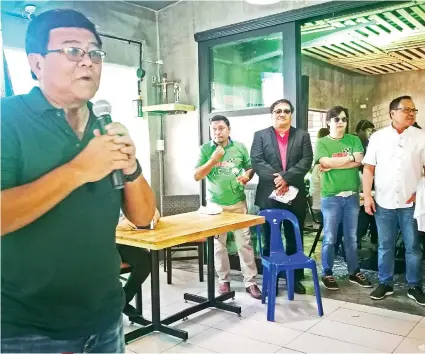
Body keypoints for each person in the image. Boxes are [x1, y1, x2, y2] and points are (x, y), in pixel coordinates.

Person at [1, 9, 156, 353]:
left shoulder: (105, 127)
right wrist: (79, 169)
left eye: (95, 52)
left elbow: (144, 218)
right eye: (72, 50)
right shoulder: (7, 119)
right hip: (27, 329)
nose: (88, 61)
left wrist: (131, 167)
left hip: (104, 319)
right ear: (37, 63)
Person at [363, 96, 425, 305]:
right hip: (384, 202)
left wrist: (420, 193)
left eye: (413, 110)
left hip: (411, 204)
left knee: (413, 247)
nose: (411, 113)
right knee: (385, 245)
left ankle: (414, 285)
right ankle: (385, 283)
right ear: (392, 113)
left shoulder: (420, 136)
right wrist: (368, 196)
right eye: (406, 109)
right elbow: (369, 168)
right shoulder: (378, 137)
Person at [194, 115, 262, 299]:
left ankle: (251, 282)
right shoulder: (205, 150)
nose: (218, 132)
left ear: (229, 130)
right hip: (215, 207)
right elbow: (197, 176)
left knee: (244, 244)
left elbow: (250, 167)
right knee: (218, 246)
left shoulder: (239, 147)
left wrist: (247, 176)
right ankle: (223, 281)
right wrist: (213, 160)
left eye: (221, 128)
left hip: (238, 203)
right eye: (214, 129)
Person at [251, 99, 313, 295]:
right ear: (272, 114)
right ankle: (271, 278)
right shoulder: (260, 135)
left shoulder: (302, 135)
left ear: (291, 114)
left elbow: (306, 161)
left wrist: (286, 178)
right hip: (270, 194)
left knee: (295, 237)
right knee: (270, 238)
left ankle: (295, 279)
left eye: (286, 111)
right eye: (278, 111)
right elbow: (257, 160)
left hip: (295, 195)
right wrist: (278, 179)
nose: (282, 114)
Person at [315, 106, 372, 291]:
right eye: (337, 119)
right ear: (328, 122)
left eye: (344, 119)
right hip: (331, 197)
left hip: (352, 197)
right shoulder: (322, 142)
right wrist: (349, 160)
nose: (341, 122)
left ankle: (354, 271)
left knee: (352, 238)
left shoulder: (353, 139)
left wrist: (334, 164)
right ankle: (327, 272)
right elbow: (324, 162)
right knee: (330, 238)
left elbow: (360, 160)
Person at [118, 209, 160, 318]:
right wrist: (118, 225)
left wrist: (154, 216)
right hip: (100, 243)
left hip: (125, 241)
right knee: (107, 265)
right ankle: (113, 302)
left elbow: (153, 209)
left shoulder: (125, 192)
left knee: (146, 261)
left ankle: (121, 301)